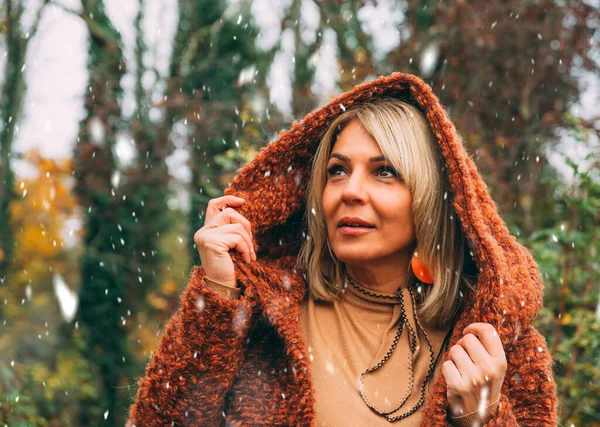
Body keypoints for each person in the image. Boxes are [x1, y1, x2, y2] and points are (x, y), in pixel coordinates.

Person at [127, 72, 558, 426]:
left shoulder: (495, 345)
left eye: (384, 172)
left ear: (429, 197)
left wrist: (482, 419)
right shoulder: (263, 317)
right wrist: (217, 298)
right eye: (337, 171)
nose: (350, 191)